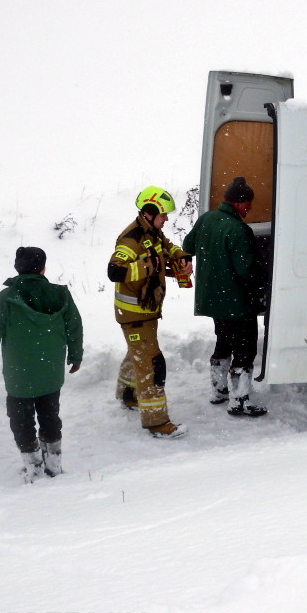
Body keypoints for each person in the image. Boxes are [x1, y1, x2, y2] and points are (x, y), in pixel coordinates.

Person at [0, 247, 83, 482]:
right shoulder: (60, 294)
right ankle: (54, 465)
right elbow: (74, 326)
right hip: (50, 372)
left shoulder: (6, 299)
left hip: (19, 375)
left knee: (21, 421)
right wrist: (75, 355)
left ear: (18, 268)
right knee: (50, 416)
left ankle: (33, 469)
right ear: (43, 268)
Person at [108, 185, 191, 439]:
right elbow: (115, 271)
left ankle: (128, 394)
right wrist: (150, 264)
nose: (166, 219)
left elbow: (167, 247)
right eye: (163, 215)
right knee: (152, 364)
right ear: (149, 213)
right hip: (135, 315)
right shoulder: (131, 239)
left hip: (145, 312)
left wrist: (181, 257)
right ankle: (156, 422)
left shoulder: (152, 233)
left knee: (139, 354)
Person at [182, 176, 268, 417]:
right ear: (238, 203)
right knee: (244, 349)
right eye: (247, 203)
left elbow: (187, 246)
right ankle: (240, 400)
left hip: (213, 301)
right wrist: (264, 280)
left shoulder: (206, 219)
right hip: (237, 304)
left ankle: (219, 391)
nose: (249, 207)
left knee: (223, 343)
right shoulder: (238, 230)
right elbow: (246, 271)